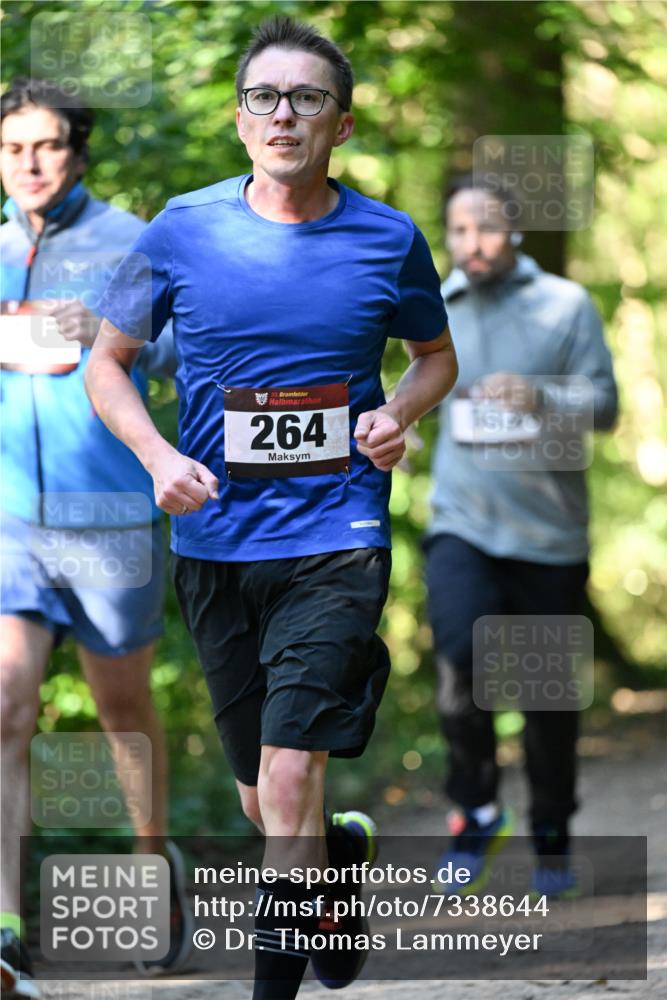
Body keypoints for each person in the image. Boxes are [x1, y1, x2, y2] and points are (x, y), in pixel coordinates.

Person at [85, 15, 457, 998]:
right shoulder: (182, 229)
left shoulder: (388, 237)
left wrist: (397, 412)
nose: (283, 113)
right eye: (265, 97)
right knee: (263, 796)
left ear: (340, 124)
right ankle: (334, 862)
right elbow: (108, 365)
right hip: (214, 539)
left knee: (289, 775)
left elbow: (434, 358)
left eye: (306, 98)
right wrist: (158, 454)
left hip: (337, 533)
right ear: (239, 120)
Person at [0, 79, 192, 998]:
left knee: (121, 713)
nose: (29, 165)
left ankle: (153, 872)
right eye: (12, 148)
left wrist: (108, 332)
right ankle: (6, 923)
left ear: (76, 151)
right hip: (9, 519)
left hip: (110, 517)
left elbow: (178, 357)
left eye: (46, 146)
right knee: (6, 702)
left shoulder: (126, 239)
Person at [425, 175, 618, 899]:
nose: (470, 244)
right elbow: (407, 388)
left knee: (545, 706)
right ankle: (474, 810)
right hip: (462, 523)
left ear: (516, 232)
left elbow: (604, 407)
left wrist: (541, 397)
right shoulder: (433, 306)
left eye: (485, 229)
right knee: (456, 669)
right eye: (458, 231)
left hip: (547, 535)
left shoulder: (563, 305)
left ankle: (550, 832)